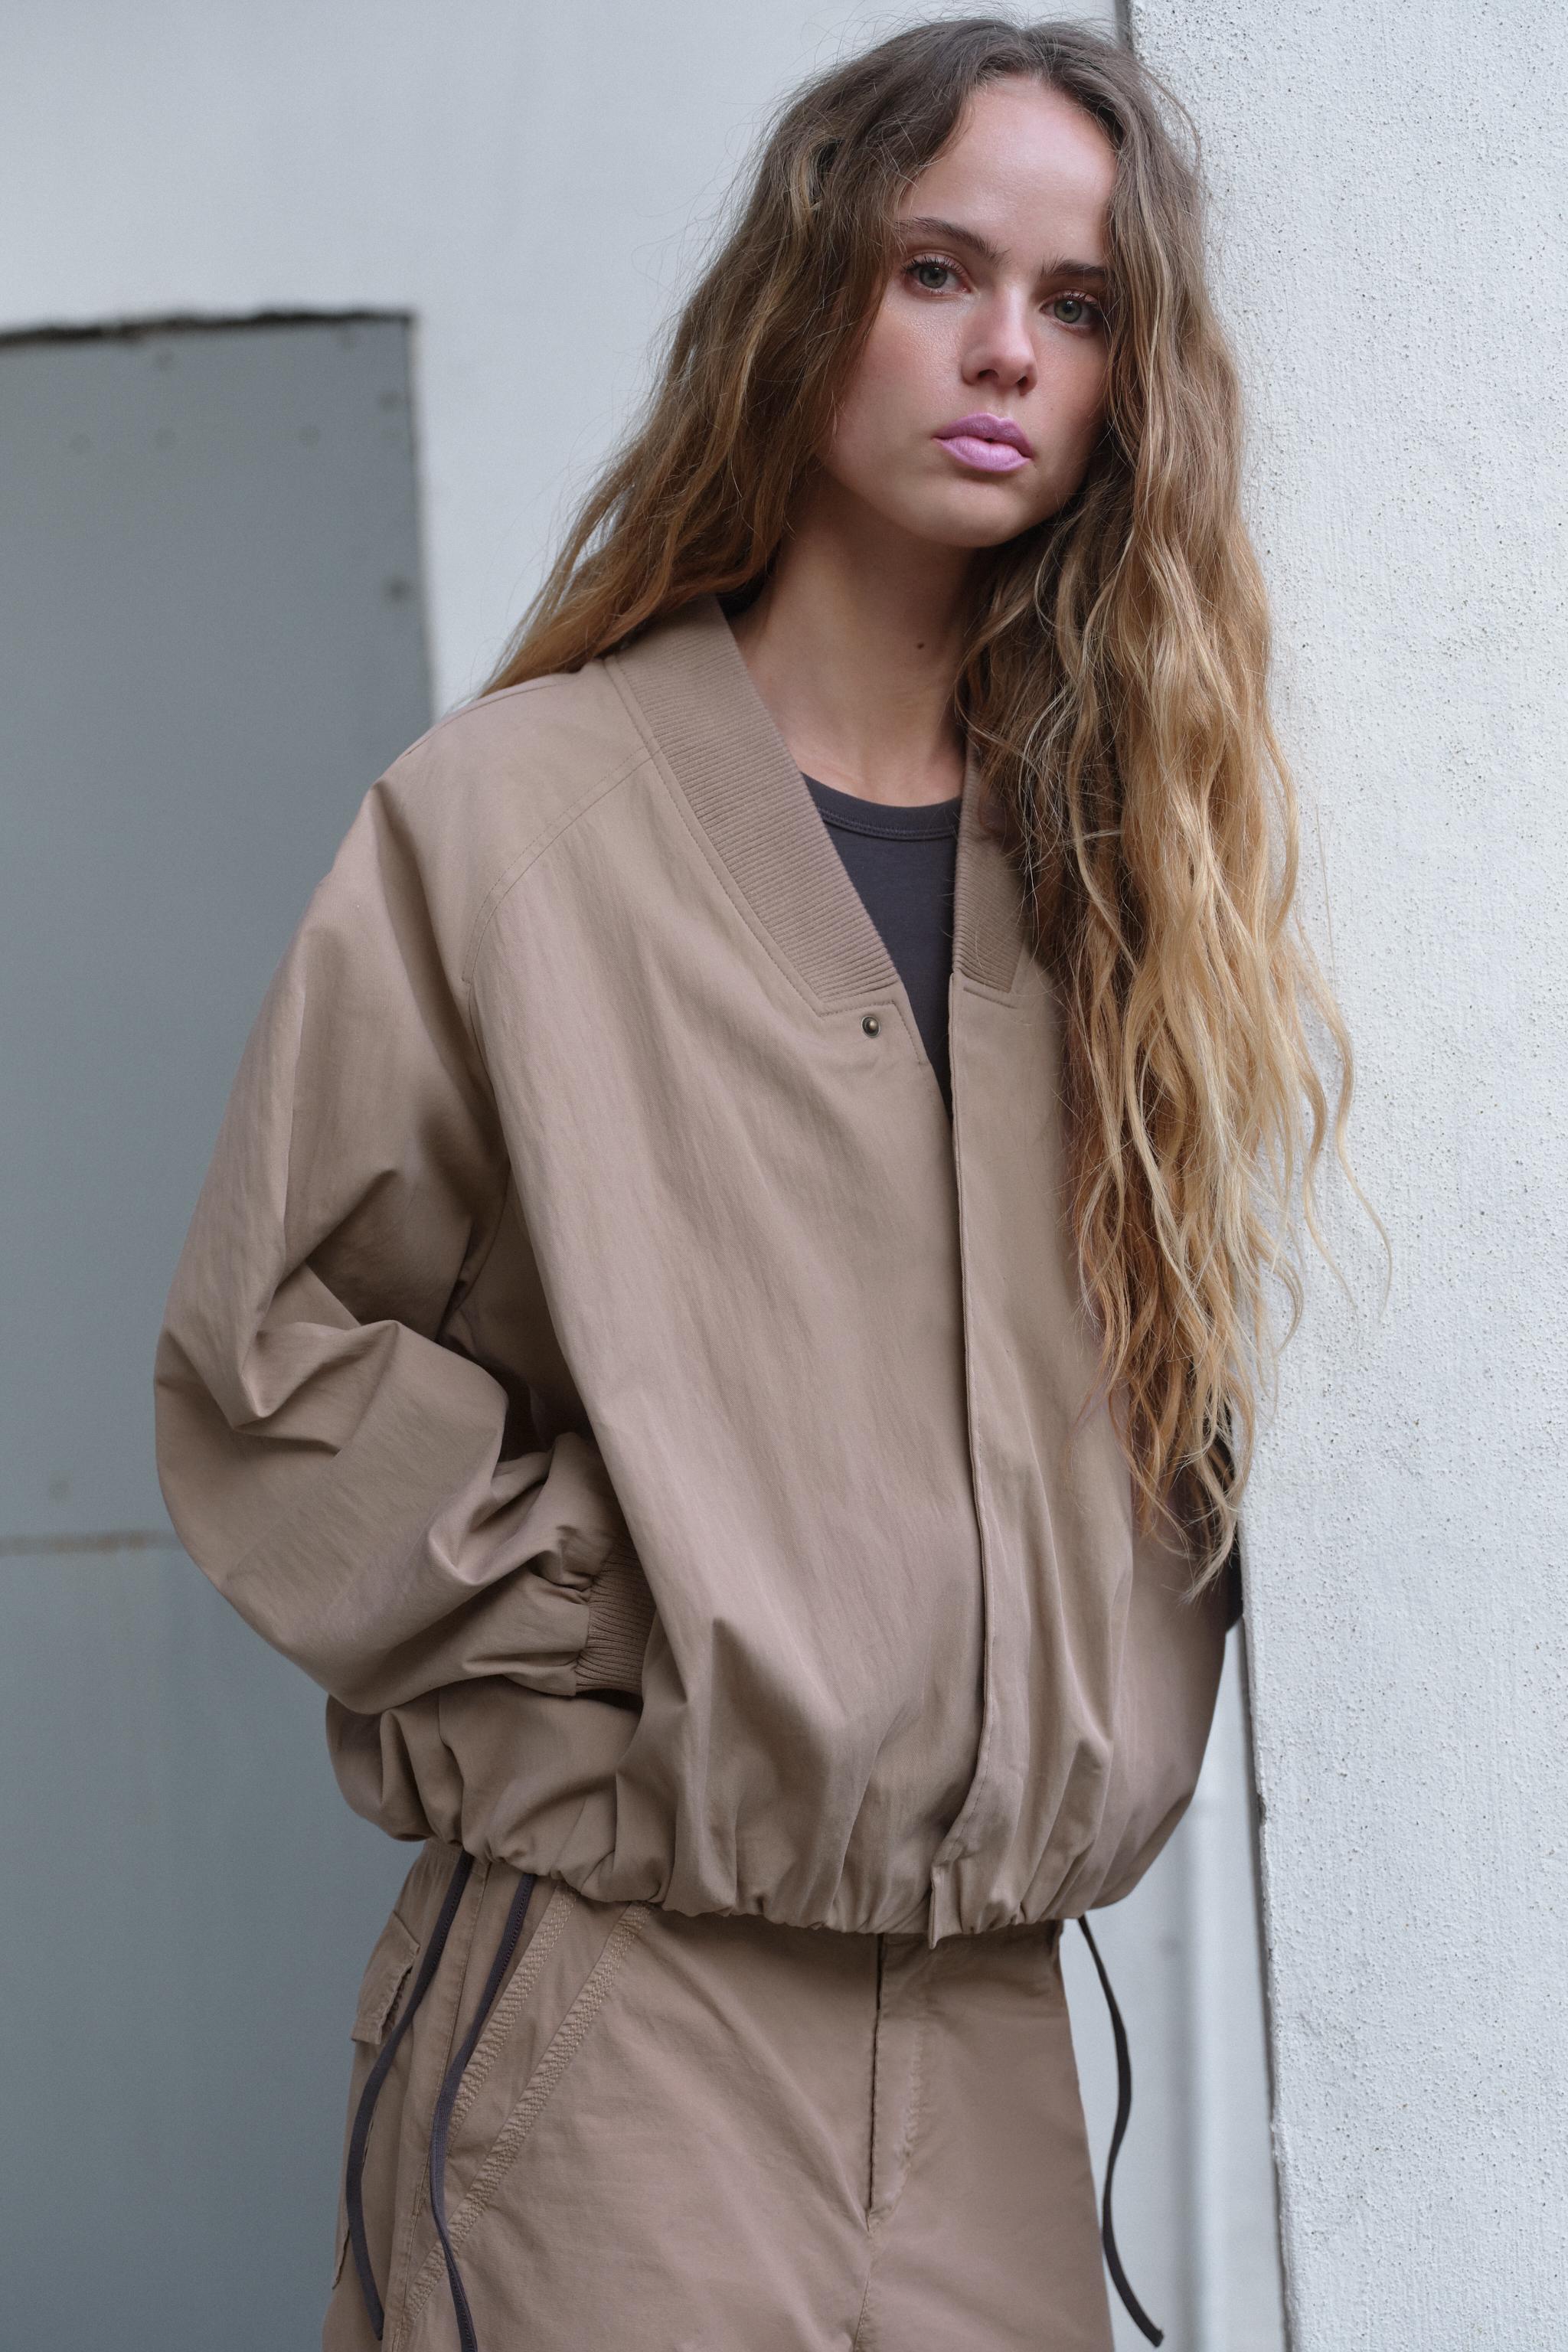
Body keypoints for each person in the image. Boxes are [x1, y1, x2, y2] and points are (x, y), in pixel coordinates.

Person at [155, 17, 1354, 2351]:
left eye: (1081, 304)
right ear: (810, 296)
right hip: (629, 2019)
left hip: (999, 2040)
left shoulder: (1137, 883)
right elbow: (274, 1368)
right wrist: (641, 1618)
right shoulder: (515, 818)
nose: (1009, 351)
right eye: (938, 269)